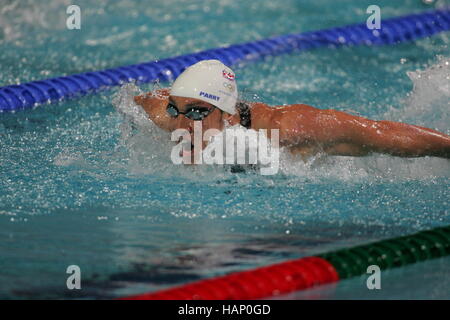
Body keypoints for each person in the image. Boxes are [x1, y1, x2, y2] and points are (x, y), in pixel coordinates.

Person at [134, 59, 450, 160]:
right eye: (177, 111)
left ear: (228, 115)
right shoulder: (167, 116)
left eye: (198, 113)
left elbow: (383, 133)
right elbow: (134, 98)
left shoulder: (287, 129)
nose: (182, 127)